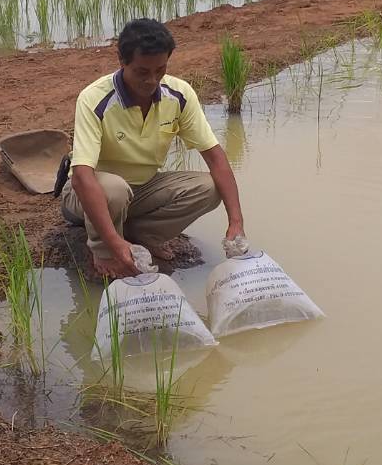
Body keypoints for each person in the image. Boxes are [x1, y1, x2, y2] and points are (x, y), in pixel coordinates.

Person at [61, 18, 248, 279]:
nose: (151, 80)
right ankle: (102, 248)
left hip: (143, 188)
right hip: (88, 193)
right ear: (122, 61)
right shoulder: (95, 99)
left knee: (210, 187)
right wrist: (113, 245)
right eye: (142, 72)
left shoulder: (178, 95)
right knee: (114, 189)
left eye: (160, 70)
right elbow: (82, 177)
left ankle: (143, 235)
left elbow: (215, 157)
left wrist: (236, 222)